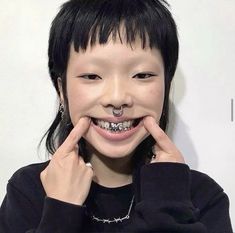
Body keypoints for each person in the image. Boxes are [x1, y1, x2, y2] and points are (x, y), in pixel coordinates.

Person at [0, 0, 233, 232]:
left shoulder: (202, 197)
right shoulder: (29, 191)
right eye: (92, 76)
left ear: (166, 86)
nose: (117, 97)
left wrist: (167, 209)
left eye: (141, 75)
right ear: (62, 91)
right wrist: (60, 211)